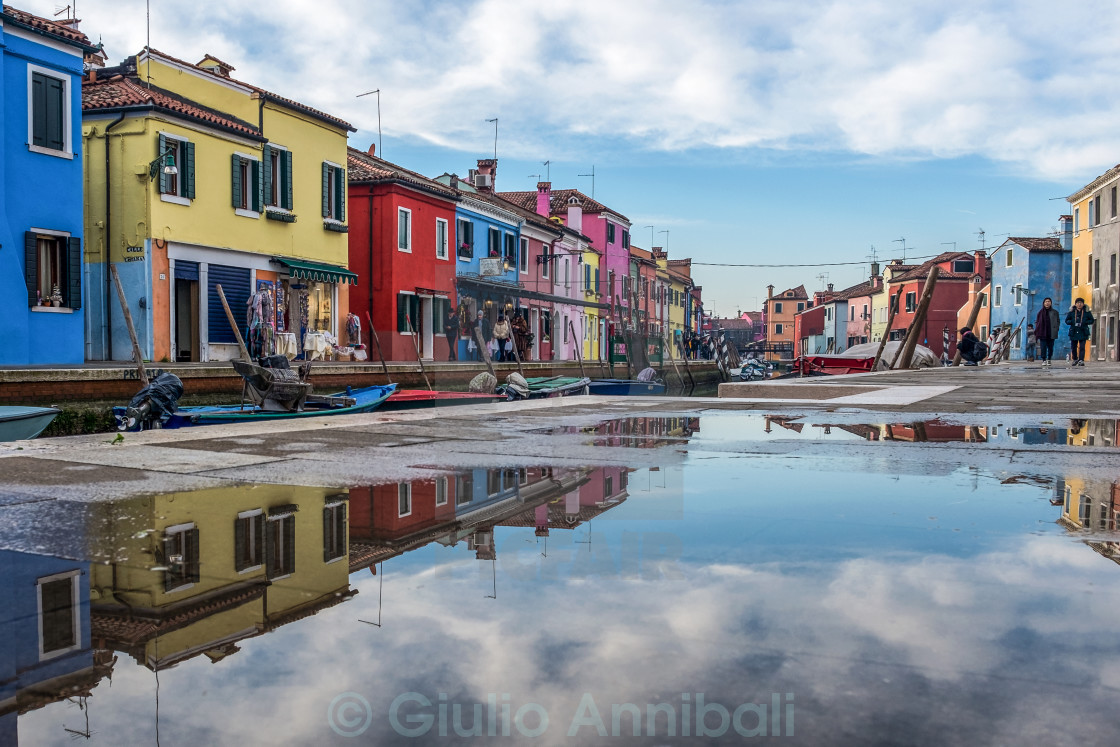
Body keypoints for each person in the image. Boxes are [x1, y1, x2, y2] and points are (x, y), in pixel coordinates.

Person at [1065, 297, 1095, 367]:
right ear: (1075, 304)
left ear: (1083, 304)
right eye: (1078, 303)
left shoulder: (1087, 312)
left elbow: (1092, 320)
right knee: (1073, 347)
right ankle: (1075, 359)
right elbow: (1066, 321)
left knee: (1082, 347)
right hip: (1074, 331)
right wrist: (1072, 322)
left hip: (1083, 331)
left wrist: (1085, 322)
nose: (1079, 304)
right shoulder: (1072, 312)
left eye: (1081, 303)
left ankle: (1081, 359)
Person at [1034, 297, 1060, 366]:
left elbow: (1058, 321)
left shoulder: (1055, 312)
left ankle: (1049, 359)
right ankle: (1044, 359)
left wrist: (1056, 328)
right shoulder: (1040, 312)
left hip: (1051, 332)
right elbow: (1038, 322)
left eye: (1048, 301)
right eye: (1046, 301)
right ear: (1043, 303)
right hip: (1043, 333)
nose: (1047, 303)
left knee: (1050, 347)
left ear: (1051, 303)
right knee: (1043, 347)